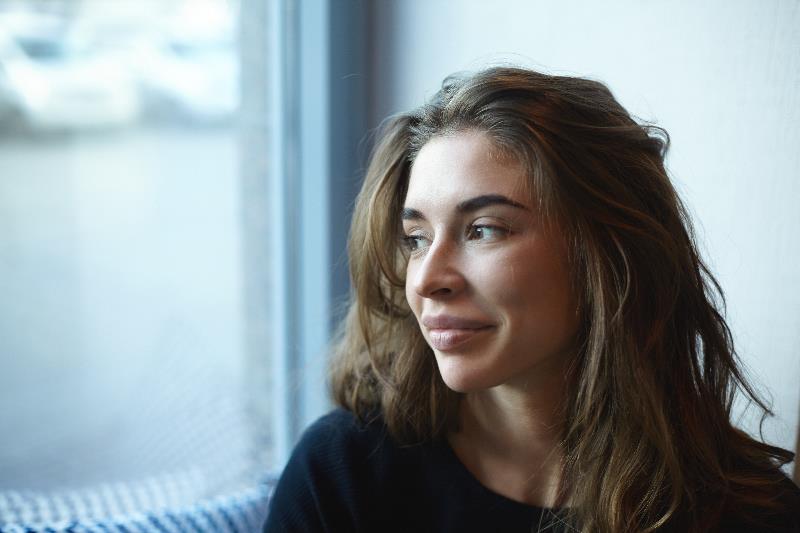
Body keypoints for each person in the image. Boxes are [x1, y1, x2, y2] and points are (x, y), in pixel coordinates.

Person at [263, 67, 799, 532]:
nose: (427, 279)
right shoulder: (343, 473)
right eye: (416, 238)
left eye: (484, 230)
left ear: (609, 256)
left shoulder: (747, 512)